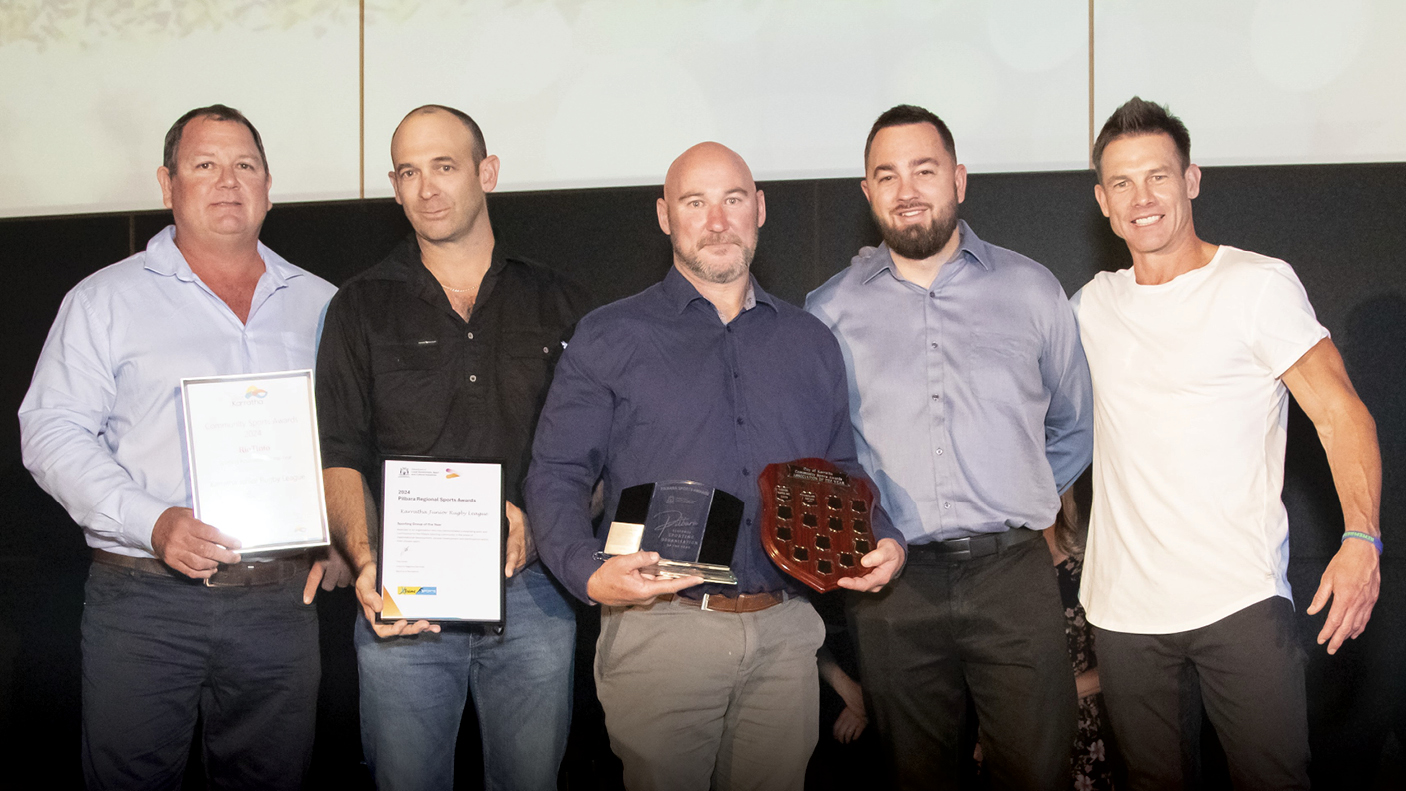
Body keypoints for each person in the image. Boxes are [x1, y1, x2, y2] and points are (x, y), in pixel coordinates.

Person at [525, 141, 906, 791]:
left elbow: (839, 466)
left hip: (786, 634)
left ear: (758, 209)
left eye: (732, 200)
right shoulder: (610, 336)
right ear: (664, 216)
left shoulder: (810, 341)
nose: (717, 220)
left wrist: (883, 534)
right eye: (694, 203)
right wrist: (589, 574)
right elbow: (557, 472)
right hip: (662, 631)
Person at [18, 104, 340, 790]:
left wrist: (346, 532)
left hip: (281, 605)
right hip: (144, 600)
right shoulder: (104, 300)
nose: (228, 181)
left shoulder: (321, 304)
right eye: (205, 165)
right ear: (167, 185)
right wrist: (153, 520)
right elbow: (49, 431)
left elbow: (349, 440)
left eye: (244, 165)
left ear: (269, 184)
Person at [1075, 96, 1383, 790]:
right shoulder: (1092, 304)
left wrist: (1362, 538)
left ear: (1192, 180)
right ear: (1102, 200)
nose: (1141, 197)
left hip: (1238, 603)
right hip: (1125, 615)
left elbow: (1342, 413)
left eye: (1157, 176)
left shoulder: (1255, 285)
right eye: (1121, 183)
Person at [805, 104, 1094, 790]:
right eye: (887, 174)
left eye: (924, 169)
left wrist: (1021, 488)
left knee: (1038, 773)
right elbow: (818, 452)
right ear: (868, 193)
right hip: (892, 587)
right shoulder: (828, 309)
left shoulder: (1030, 289)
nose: (907, 189)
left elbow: (1076, 425)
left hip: (1012, 575)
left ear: (959, 179)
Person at [315, 105, 588, 790]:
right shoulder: (359, 305)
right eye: (408, 171)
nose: (426, 187)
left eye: (443, 166)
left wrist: (544, 518)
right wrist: (367, 558)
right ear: (394, 185)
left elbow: (597, 454)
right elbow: (338, 452)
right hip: (405, 600)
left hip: (533, 598)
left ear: (486, 173)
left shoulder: (559, 300)